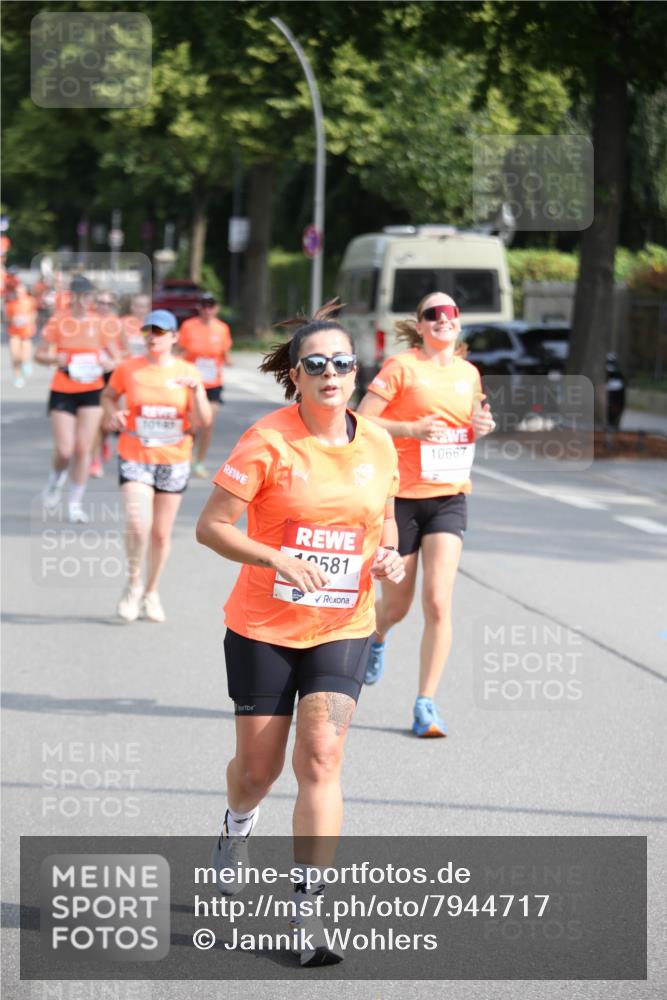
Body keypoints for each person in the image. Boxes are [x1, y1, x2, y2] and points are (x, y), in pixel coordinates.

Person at [196, 302, 405, 966]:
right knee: (256, 773)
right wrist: (276, 557)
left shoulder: (376, 441)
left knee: (320, 758)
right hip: (263, 624)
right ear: (295, 374)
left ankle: (305, 914)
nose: (331, 373)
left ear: (354, 370)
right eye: (315, 363)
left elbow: (385, 520)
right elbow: (212, 526)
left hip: (343, 622)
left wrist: (389, 555)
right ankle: (235, 827)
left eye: (342, 362)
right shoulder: (267, 440)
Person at [357, 292, 495, 737]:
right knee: (396, 605)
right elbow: (362, 419)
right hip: (402, 498)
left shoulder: (468, 373)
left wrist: (482, 427)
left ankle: (425, 704)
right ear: (419, 325)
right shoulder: (402, 368)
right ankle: (377, 637)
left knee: (438, 599)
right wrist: (410, 430)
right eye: (433, 314)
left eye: (451, 313)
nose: (443, 319)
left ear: (458, 323)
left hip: (450, 496)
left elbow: (474, 420)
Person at [102, 309, 211, 623]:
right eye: (149, 330)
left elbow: (203, 421)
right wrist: (113, 413)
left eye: (161, 332)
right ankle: (134, 583)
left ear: (174, 337)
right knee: (138, 524)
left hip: (174, 458)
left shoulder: (188, 372)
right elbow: (108, 396)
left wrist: (197, 392)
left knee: (161, 535)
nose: (153, 337)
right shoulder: (128, 369)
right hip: (135, 454)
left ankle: (151, 591)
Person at [36, 274, 109, 523]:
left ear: (91, 298)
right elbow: (39, 354)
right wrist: (56, 359)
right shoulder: (59, 321)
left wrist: (105, 362)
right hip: (63, 388)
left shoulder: (101, 323)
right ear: (71, 297)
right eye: (76, 296)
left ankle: (75, 503)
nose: (81, 301)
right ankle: (56, 479)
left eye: (85, 296)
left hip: (92, 389)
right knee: (66, 450)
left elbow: (118, 357)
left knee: (82, 449)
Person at [177, 291, 232, 478]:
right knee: (192, 425)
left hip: (213, 384)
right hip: (192, 382)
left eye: (211, 305)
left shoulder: (222, 328)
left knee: (208, 422)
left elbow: (225, 352)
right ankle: (186, 456)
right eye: (204, 305)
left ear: (216, 308)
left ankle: (199, 461)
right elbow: (179, 351)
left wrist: (228, 360)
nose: (207, 309)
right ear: (199, 308)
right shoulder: (188, 326)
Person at [90, 290, 123, 477]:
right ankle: (94, 460)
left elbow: (127, 353)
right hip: (91, 376)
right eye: (100, 302)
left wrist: (115, 360)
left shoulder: (118, 325)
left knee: (105, 422)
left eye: (107, 303)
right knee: (95, 420)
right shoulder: (87, 323)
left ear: (113, 307)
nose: (103, 306)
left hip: (112, 376)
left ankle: (103, 441)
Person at [5, 276, 38, 387]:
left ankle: (26, 362)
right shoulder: (10, 304)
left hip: (26, 331)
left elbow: (34, 314)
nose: (19, 293)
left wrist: (29, 321)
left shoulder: (30, 301)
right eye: (17, 291)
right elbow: (7, 318)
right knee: (15, 356)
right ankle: (18, 376)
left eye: (21, 291)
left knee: (25, 351)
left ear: (25, 291)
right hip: (14, 332)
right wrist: (14, 319)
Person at [120, 293, 151, 358]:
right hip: (127, 362)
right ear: (131, 306)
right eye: (136, 306)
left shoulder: (154, 324)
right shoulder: (121, 323)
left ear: (149, 308)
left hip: (147, 363)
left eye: (142, 306)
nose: (139, 309)